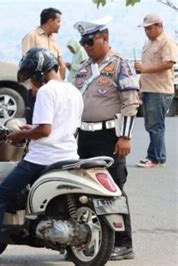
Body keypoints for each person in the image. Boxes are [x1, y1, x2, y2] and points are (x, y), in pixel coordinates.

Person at [0, 47, 83, 264]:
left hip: (42, 159)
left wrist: (21, 133)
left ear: (39, 72)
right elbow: (67, 128)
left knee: (0, 195)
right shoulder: (73, 91)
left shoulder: (47, 91)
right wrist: (32, 129)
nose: (30, 84)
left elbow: (45, 131)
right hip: (69, 156)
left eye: (30, 77)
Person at [73, 17, 140, 261]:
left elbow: (131, 102)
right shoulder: (82, 67)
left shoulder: (121, 65)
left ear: (104, 38)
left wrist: (125, 137)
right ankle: (93, 241)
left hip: (109, 136)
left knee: (113, 190)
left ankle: (123, 243)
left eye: (90, 41)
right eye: (84, 42)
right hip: (84, 136)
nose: (86, 46)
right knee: (83, 190)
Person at [134, 13, 177, 168]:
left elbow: (168, 63)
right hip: (148, 88)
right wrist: (140, 82)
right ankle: (154, 155)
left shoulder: (166, 42)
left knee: (155, 125)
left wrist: (144, 69)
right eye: (145, 29)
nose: (147, 31)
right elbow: (146, 67)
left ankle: (156, 158)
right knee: (151, 124)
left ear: (159, 26)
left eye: (150, 28)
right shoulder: (148, 44)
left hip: (160, 89)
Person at [22, 7, 67, 124]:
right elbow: (28, 64)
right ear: (50, 21)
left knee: (53, 123)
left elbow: (61, 64)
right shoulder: (32, 36)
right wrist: (35, 86)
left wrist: (61, 85)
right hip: (38, 89)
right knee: (35, 123)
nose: (60, 25)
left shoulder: (54, 39)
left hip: (54, 90)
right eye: (58, 21)